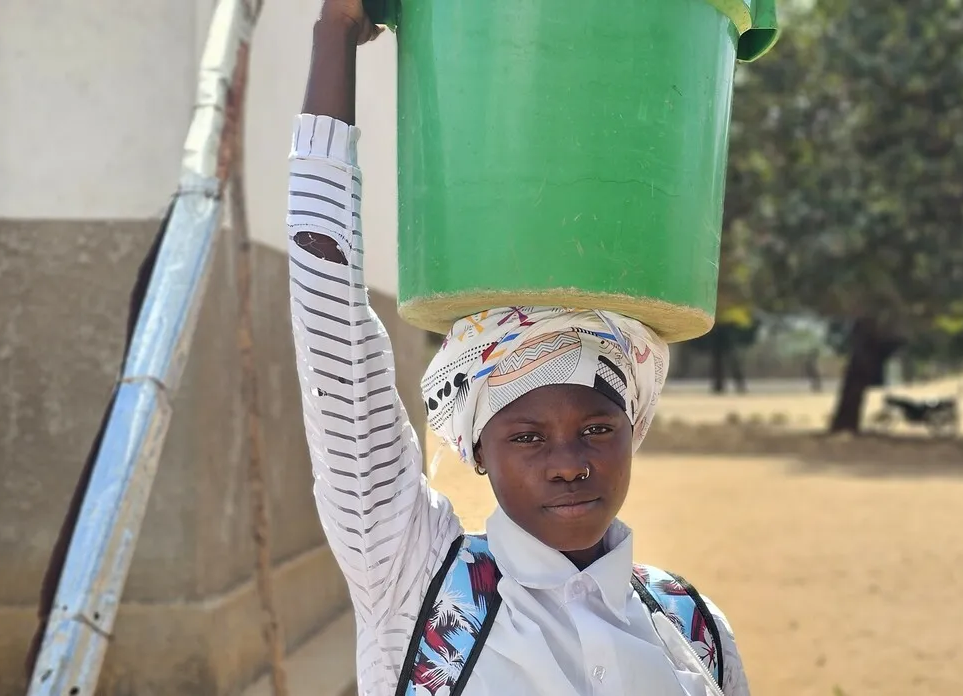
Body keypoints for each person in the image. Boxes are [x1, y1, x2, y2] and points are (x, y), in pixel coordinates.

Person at [287, 2, 750, 694]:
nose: (568, 464)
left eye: (597, 428)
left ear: (634, 432)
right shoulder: (421, 591)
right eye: (528, 438)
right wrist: (336, 33)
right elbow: (331, 330)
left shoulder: (693, 627)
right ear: (478, 449)